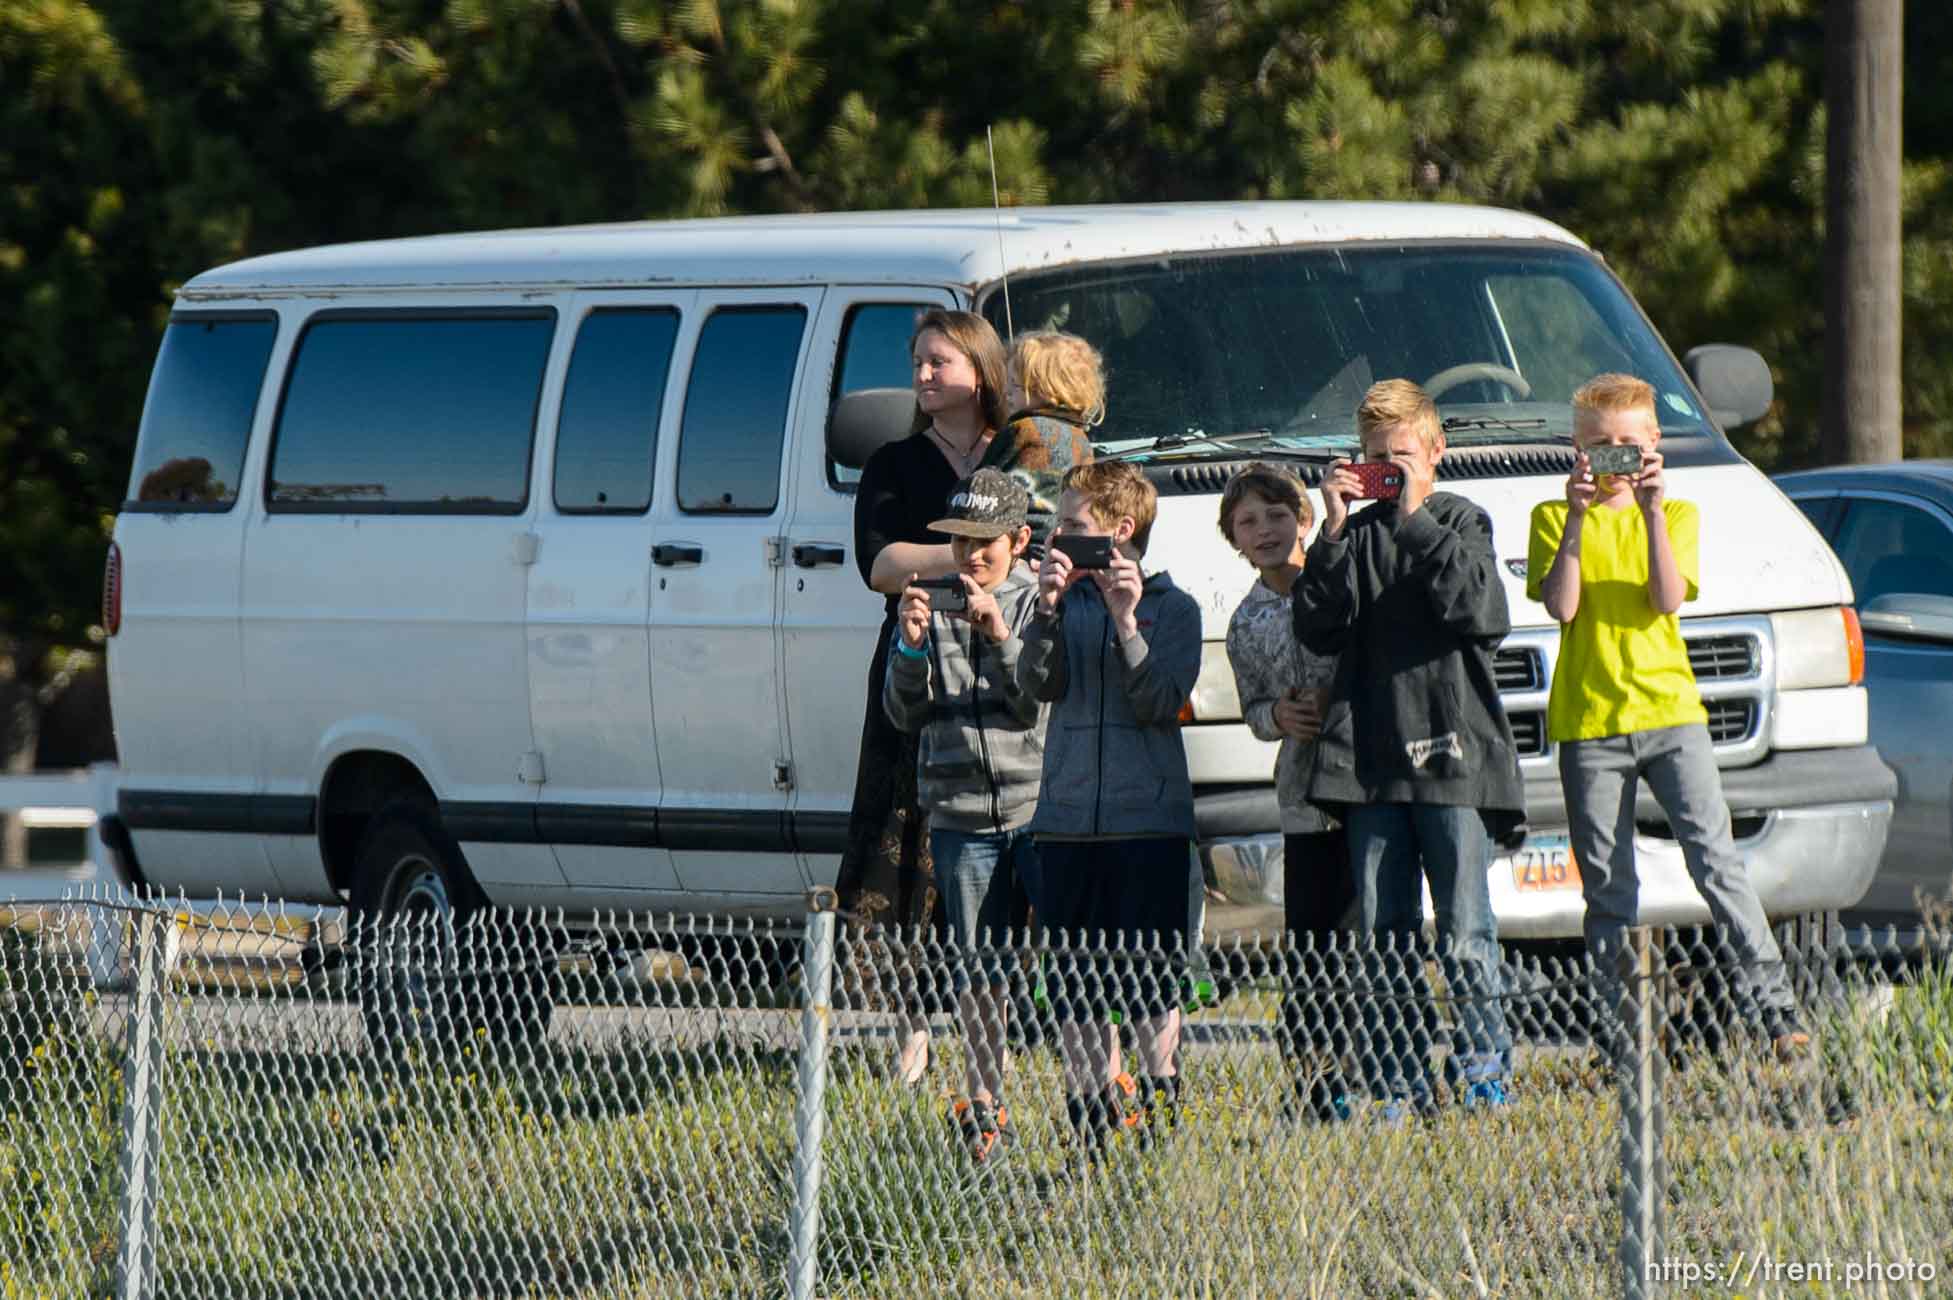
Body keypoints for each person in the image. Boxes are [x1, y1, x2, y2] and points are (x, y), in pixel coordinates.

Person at [1528, 373, 1809, 1060]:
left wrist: (1651, 510)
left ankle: (1776, 1012)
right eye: (1599, 446)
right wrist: (1575, 516)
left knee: (1716, 864)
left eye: (1628, 444)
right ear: (1576, 448)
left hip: (1668, 711)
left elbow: (1664, 596)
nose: (1613, 457)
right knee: (1606, 887)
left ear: (1653, 444)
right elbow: (1561, 607)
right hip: (1589, 722)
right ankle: (1620, 1030)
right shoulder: (1549, 514)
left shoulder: (1676, 514)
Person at [1293, 379, 1522, 1120]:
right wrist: (1329, 530)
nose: (1386, 474)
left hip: (1453, 758)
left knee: (1462, 931)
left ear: (1434, 452)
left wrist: (1415, 516)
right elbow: (1317, 630)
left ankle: (1483, 1067)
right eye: (1373, 462)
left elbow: (1480, 612)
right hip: (1371, 765)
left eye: (1399, 458)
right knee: (1383, 938)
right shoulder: (1352, 537)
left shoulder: (1462, 520)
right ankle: (1397, 1079)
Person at [843, 309, 1012, 1085]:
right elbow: (878, 564)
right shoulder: (894, 461)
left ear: (978, 370)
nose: (920, 376)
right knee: (909, 841)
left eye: (937, 362)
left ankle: (1001, 1033)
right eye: (917, 363)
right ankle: (911, 1035)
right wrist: (969, 550)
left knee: (999, 831)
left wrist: (978, 563)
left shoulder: (1019, 451)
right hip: (916, 654)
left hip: (1006, 650)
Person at [1017, 460, 1203, 1154]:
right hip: (1065, 820)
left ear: (1120, 531)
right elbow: (1035, 685)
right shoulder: (1059, 601)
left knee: (1153, 981)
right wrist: (1044, 609)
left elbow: (1159, 702)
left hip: (1147, 823)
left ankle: (1158, 1128)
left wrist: (1127, 623)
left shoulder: (1173, 608)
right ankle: (1090, 1128)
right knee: (1074, 989)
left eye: (1072, 524)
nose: (1056, 534)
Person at [883, 468, 1047, 1164]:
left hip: (1038, 805)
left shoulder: (1039, 602)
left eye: (985, 542)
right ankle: (986, 1102)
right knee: (978, 967)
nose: (970, 557)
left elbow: (1036, 703)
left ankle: (1097, 1093)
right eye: (958, 543)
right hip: (959, 815)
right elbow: (904, 715)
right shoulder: (932, 603)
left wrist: (1001, 632)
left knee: (1065, 960)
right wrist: (911, 648)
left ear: (1019, 538)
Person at [1217, 463, 1354, 1122]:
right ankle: (1311, 1083)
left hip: (1367, 785)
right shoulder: (1244, 622)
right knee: (1311, 945)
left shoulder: (1341, 584)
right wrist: (1279, 718)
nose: (1265, 530)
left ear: (1303, 520)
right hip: (1303, 798)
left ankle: (1378, 1069)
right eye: (1248, 522)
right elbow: (1252, 708)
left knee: (1371, 934)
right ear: (1233, 538)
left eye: (1276, 515)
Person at [995, 330, 1102, 560]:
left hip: (1016, 554)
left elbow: (984, 485)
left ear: (1044, 387)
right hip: (1065, 553)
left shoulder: (1023, 428)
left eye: (1014, 385)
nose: (1006, 393)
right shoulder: (1081, 438)